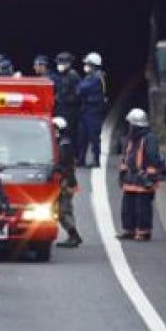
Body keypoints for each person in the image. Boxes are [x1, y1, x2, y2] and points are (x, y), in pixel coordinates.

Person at [117, 108, 166, 241]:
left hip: (143, 178)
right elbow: (126, 156)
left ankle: (143, 231)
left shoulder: (149, 138)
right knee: (128, 207)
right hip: (130, 177)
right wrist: (122, 173)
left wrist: (150, 176)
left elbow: (152, 157)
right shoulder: (130, 138)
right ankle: (129, 229)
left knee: (142, 207)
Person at [53, 117, 82, 248]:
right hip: (65, 181)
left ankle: (74, 235)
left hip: (66, 182)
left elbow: (65, 165)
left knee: (64, 210)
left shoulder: (64, 145)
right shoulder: (63, 143)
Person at [77, 52, 107, 167]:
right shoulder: (89, 77)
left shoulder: (97, 78)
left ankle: (96, 160)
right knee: (82, 136)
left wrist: (80, 88)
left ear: (93, 65)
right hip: (85, 110)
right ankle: (81, 159)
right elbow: (79, 89)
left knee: (94, 136)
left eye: (88, 64)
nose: (85, 66)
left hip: (94, 111)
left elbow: (82, 88)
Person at [54, 52, 82, 152]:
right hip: (62, 109)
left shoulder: (73, 76)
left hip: (70, 111)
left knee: (70, 133)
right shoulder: (61, 76)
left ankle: (73, 154)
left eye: (61, 63)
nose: (59, 65)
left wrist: (63, 99)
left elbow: (76, 95)